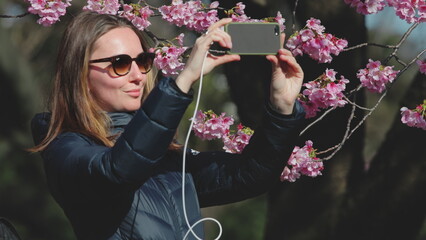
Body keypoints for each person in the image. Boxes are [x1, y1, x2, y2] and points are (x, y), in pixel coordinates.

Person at [30, 11, 306, 240]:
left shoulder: (164, 155)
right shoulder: (65, 146)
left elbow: (248, 176)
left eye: (142, 61)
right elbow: (117, 171)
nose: (138, 75)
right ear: (79, 73)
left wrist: (281, 108)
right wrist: (181, 82)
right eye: (120, 64)